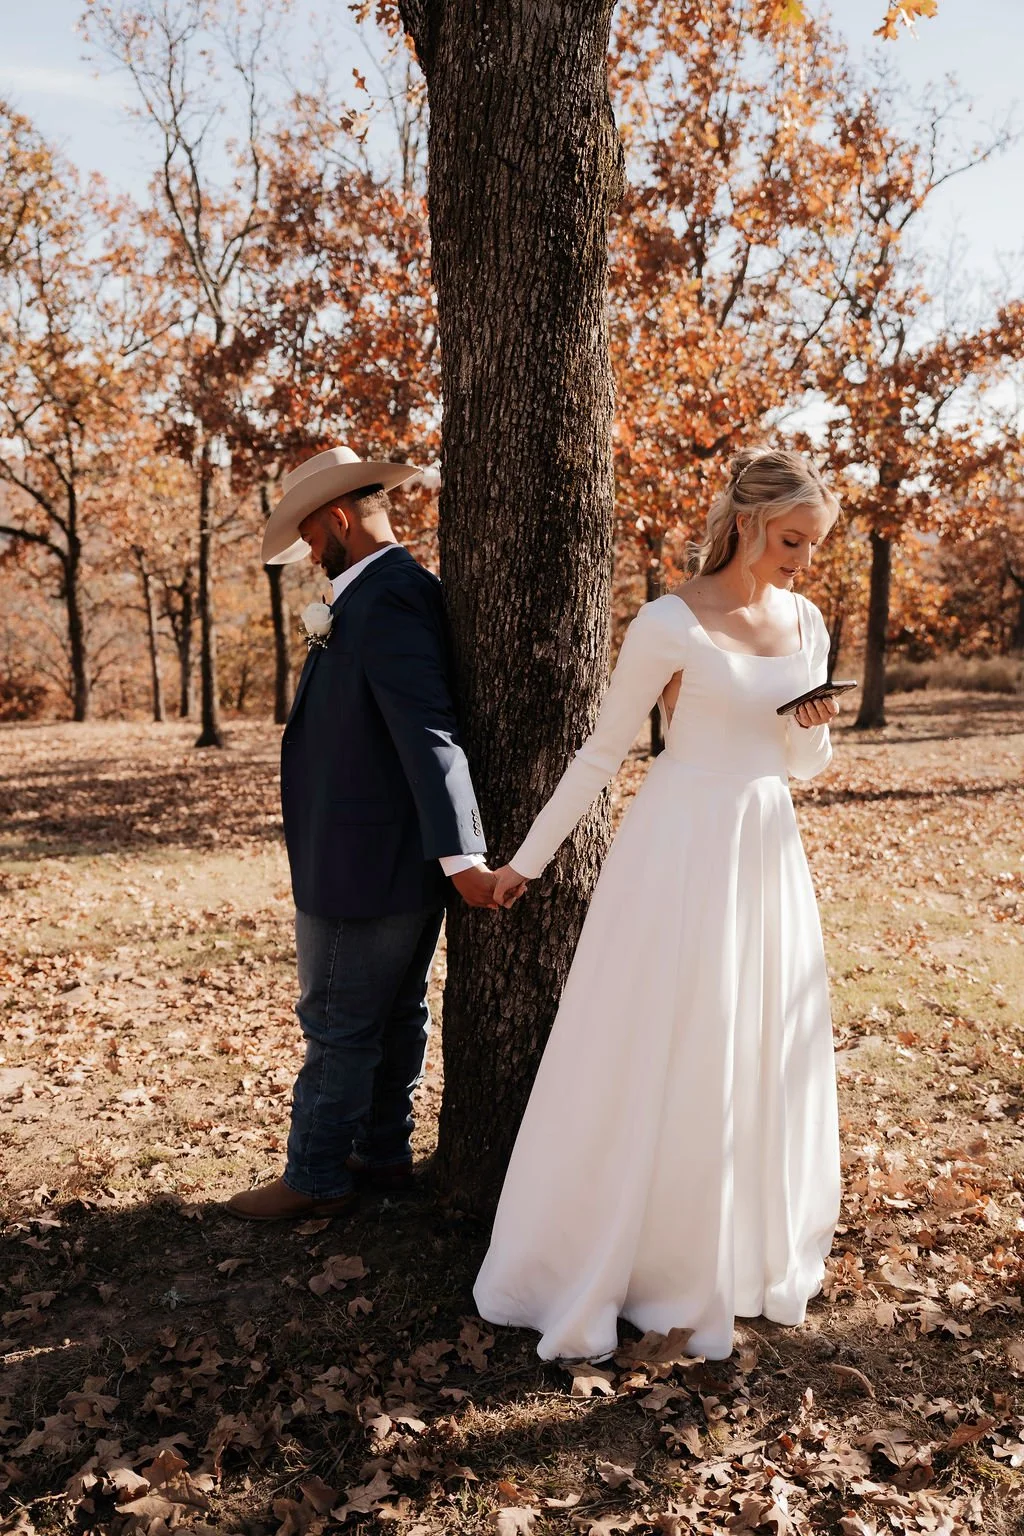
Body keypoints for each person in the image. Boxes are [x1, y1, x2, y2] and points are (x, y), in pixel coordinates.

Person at [475, 447, 843, 1361]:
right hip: (680, 845)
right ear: (749, 522)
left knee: (752, 1039)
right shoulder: (669, 622)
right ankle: (635, 1259)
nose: (803, 559)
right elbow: (602, 755)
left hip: (766, 843)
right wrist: (527, 859)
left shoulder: (805, 619)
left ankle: (734, 1249)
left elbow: (800, 766)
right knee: (666, 1041)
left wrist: (813, 735)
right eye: (793, 539)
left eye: (814, 544)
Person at [227, 445, 496, 1222]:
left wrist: (463, 856)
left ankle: (314, 1175)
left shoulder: (387, 598)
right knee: (391, 1012)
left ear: (340, 518)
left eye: (312, 536)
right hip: (375, 849)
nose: (311, 554)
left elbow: (428, 730)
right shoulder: (380, 593)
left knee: (339, 1023)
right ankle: (381, 1153)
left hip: (364, 858)